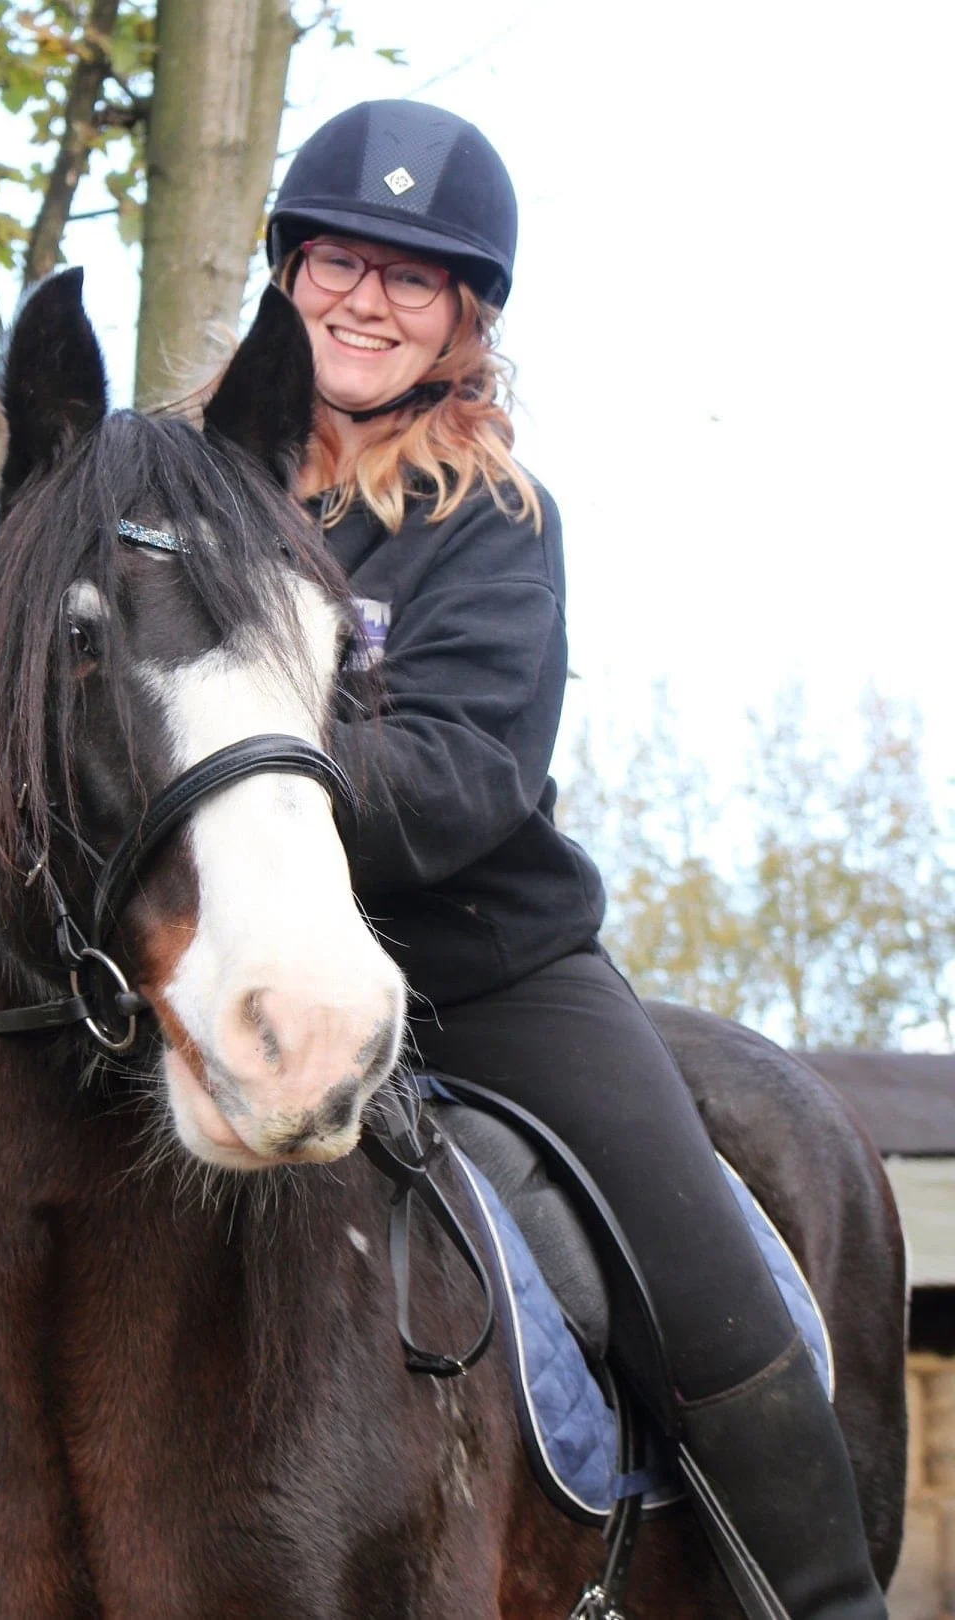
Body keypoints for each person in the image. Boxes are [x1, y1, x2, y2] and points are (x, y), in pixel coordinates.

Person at [267, 98, 886, 1620]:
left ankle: (823, 1601)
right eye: (342, 259)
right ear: (288, 275)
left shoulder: (497, 521)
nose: (367, 299)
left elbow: (467, 781)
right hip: (236, 962)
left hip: (479, 968)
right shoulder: (187, 488)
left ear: (465, 318)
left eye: (414, 278)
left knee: (706, 1270)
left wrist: (247, 771)